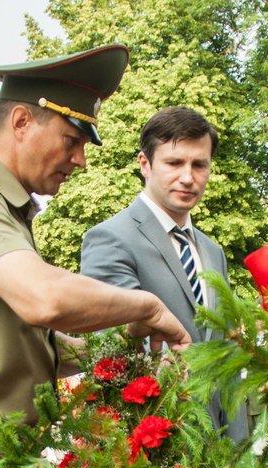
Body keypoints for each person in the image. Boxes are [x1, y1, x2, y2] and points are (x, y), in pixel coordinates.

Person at [0, 45, 191, 424]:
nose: (81, 160)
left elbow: (34, 348)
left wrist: (124, 338)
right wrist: (148, 306)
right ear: (21, 123)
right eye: (72, 140)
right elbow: (46, 299)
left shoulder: (4, 209)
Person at [81, 106, 247, 441]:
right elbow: (112, 353)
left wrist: (239, 448)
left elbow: (225, 356)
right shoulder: (110, 238)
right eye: (174, 163)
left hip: (220, 448)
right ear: (145, 164)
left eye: (199, 164)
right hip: (155, 446)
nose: (188, 177)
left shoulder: (212, 251)